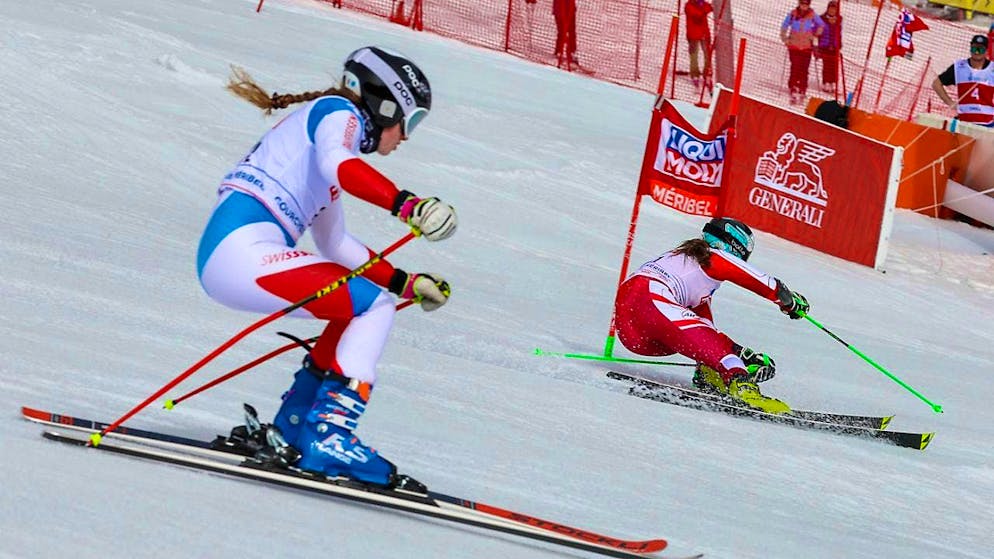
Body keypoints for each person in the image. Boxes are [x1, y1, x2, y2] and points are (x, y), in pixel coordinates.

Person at [197, 46, 457, 488]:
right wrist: (406, 204)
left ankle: (295, 427)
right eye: (410, 122)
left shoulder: (321, 150)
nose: (406, 137)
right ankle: (329, 436)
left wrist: (406, 282)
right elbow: (341, 164)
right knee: (373, 307)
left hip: (236, 257)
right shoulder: (338, 113)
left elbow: (336, 245)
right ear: (384, 102)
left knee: (357, 303)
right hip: (240, 252)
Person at [612, 218, 810, 415]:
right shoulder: (713, 256)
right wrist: (787, 298)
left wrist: (741, 354)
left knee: (710, 344)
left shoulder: (691, 271)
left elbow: (704, 331)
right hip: (649, 298)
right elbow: (756, 279)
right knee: (724, 356)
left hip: (632, 326)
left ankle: (710, 374)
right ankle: (743, 388)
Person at [931, 35, 994, 128]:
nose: (977, 52)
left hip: (987, 122)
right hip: (964, 121)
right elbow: (936, 84)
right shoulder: (959, 67)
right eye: (974, 48)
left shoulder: (992, 68)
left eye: (980, 49)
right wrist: (950, 103)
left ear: (986, 51)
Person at [780, 0, 825, 105]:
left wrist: (815, 35)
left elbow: (821, 25)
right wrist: (785, 39)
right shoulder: (793, 14)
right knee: (795, 66)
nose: (804, 6)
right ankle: (793, 85)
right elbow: (784, 26)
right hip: (794, 46)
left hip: (806, 47)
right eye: (802, 4)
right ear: (799, 4)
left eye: (806, 4)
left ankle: (803, 86)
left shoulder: (812, 15)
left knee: (804, 68)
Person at [684, 0, 714, 88]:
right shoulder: (689, 6)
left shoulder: (703, 4)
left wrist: (704, 8)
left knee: (708, 55)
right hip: (693, 35)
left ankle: (707, 73)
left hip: (704, 34)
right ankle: (694, 74)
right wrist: (703, 10)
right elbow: (697, 16)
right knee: (693, 55)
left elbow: (710, 7)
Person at [816, 0, 842, 94]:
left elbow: (838, 34)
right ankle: (826, 82)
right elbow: (818, 33)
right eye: (831, 9)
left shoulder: (839, 20)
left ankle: (833, 83)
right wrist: (817, 46)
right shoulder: (822, 19)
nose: (832, 11)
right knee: (826, 65)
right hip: (825, 46)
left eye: (834, 9)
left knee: (834, 66)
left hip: (835, 46)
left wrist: (839, 44)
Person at [553, 0, 578, 68]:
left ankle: (572, 53)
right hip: (560, 10)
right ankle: (559, 52)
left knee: (571, 32)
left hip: (570, 9)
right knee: (562, 32)